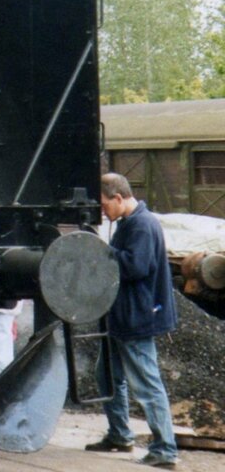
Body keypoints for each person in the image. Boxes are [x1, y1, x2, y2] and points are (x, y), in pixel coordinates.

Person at [84, 173, 179, 469]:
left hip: (137, 317)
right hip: (123, 315)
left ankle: (165, 450)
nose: (103, 211)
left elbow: (135, 267)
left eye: (103, 205)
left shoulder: (142, 224)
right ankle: (120, 434)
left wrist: (99, 250)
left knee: (147, 384)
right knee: (108, 377)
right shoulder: (129, 222)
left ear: (119, 198)